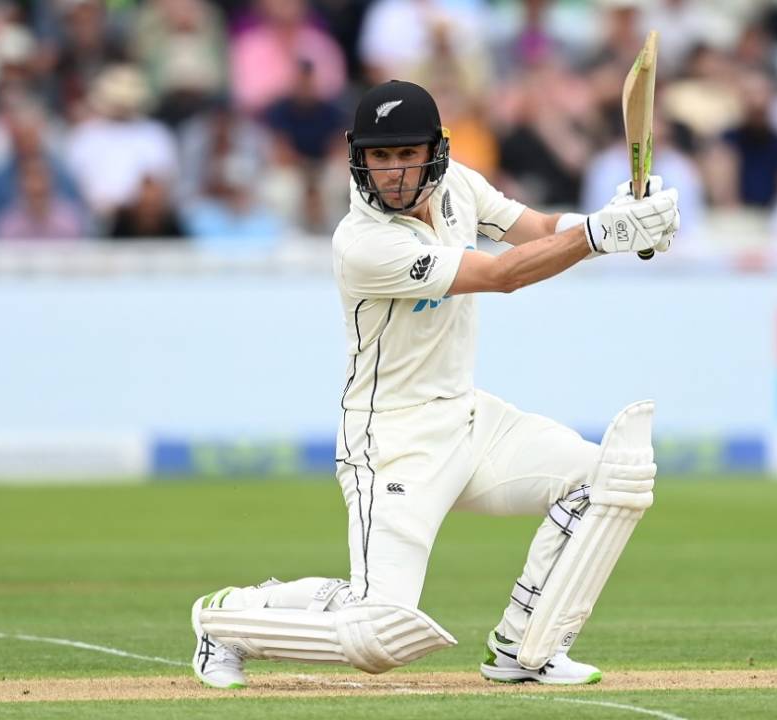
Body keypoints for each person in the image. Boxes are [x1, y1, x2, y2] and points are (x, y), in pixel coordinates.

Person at [189, 80, 679, 688]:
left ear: (436, 150)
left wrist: (621, 220)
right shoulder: (362, 243)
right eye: (381, 157)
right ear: (358, 158)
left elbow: (542, 227)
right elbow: (501, 275)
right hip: (393, 442)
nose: (394, 172)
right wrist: (605, 236)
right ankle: (230, 618)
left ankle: (528, 649)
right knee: (378, 633)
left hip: (469, 421)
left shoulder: (459, 188)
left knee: (611, 478)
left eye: (407, 154)